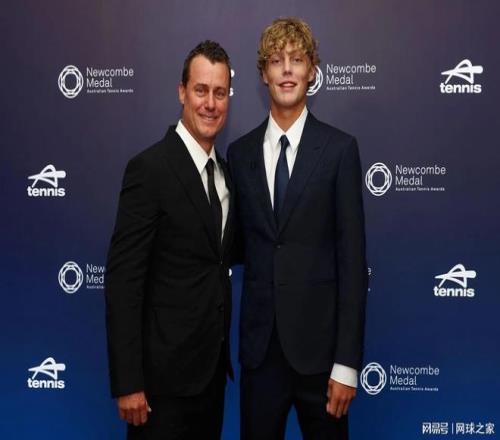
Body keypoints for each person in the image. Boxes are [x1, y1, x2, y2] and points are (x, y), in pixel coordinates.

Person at [227, 18, 368, 439]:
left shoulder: (340, 150)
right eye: (276, 60)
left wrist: (346, 365)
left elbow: (353, 262)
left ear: (311, 71)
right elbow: (237, 246)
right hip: (260, 357)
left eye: (297, 60)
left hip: (322, 362)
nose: (287, 69)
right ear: (263, 74)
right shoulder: (239, 154)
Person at [105, 40, 235, 440]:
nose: (210, 104)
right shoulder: (149, 169)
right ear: (182, 92)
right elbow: (123, 280)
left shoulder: (226, 175)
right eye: (201, 90)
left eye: (219, 93)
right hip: (159, 388)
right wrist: (128, 382)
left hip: (211, 380)